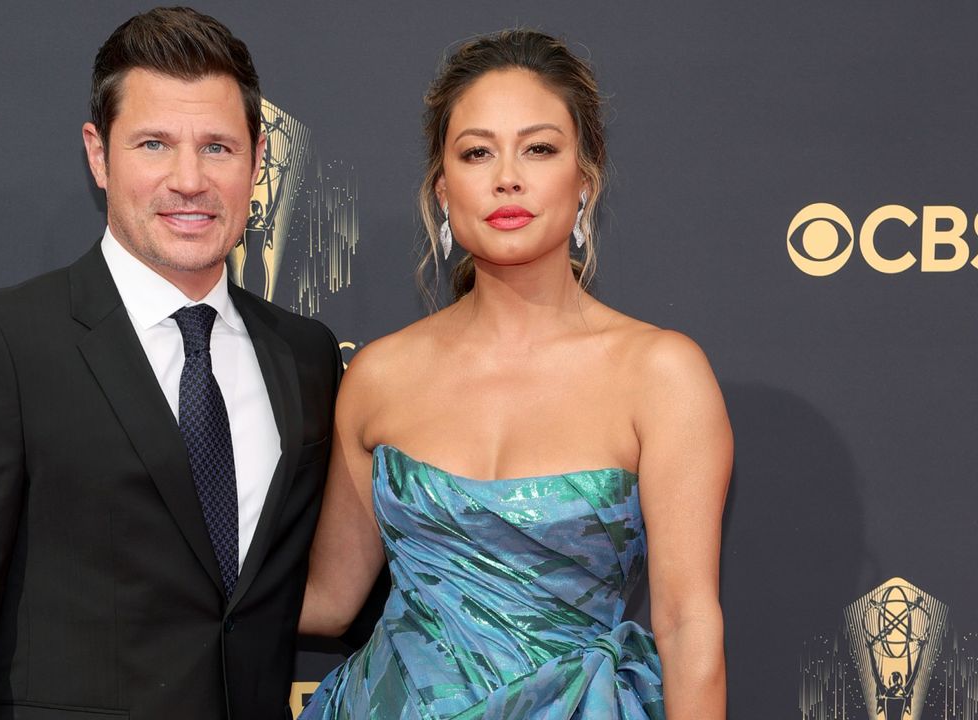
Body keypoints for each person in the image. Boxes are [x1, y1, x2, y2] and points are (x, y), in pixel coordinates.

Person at [0, 8, 341, 720]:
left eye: (217, 148)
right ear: (99, 155)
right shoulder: (2, 343)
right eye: (154, 144)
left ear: (257, 160)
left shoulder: (305, 354)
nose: (188, 180)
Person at [298, 29, 731, 719]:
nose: (507, 176)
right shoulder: (380, 375)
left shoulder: (660, 374)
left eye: (539, 148)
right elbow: (327, 599)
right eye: (477, 152)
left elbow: (687, 625)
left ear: (584, 181)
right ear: (443, 190)